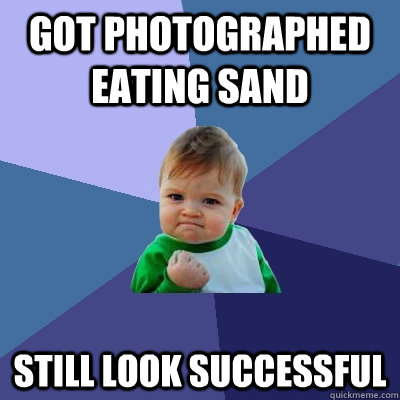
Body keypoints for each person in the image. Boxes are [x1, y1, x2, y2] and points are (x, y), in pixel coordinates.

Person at [131, 126, 281, 293]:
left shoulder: (245, 243)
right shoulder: (157, 256)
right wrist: (175, 284)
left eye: (210, 201)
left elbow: (271, 289)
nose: (190, 211)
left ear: (234, 211)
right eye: (176, 197)